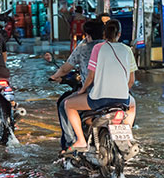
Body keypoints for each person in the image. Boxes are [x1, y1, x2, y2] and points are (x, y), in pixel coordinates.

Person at [64, 19, 137, 153]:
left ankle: (80, 140)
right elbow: (131, 81)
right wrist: (121, 92)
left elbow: (91, 76)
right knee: (132, 106)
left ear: (104, 34)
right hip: (122, 100)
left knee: (68, 104)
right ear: (119, 34)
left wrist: (82, 90)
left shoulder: (98, 48)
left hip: (99, 100)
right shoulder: (128, 50)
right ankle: (127, 138)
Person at [50, 19, 104, 152]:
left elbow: (65, 69)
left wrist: (55, 76)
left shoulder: (84, 47)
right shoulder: (111, 46)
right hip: (118, 93)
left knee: (65, 104)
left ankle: (72, 142)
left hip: (93, 93)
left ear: (87, 34)